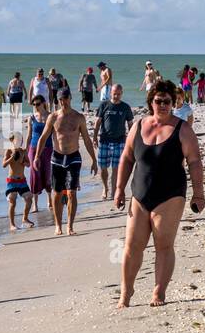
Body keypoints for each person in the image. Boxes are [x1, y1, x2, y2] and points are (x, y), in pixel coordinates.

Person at [114, 80, 205, 308]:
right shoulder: (138, 126)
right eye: (158, 101)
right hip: (140, 193)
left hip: (170, 194)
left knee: (163, 244)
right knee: (132, 245)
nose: (163, 105)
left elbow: (194, 161)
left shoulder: (183, 129)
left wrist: (198, 194)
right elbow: (126, 157)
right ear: (151, 102)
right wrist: (118, 189)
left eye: (167, 101)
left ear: (173, 103)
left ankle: (158, 292)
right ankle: (126, 292)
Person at [36, 87, 97, 235]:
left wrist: (94, 160)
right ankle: (58, 225)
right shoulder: (53, 117)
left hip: (73, 157)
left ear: (70, 98)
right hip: (57, 158)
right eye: (60, 99)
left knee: (71, 193)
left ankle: (70, 226)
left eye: (66, 98)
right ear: (57, 100)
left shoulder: (79, 117)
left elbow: (87, 141)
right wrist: (37, 156)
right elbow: (43, 138)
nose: (63, 102)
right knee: (57, 193)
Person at [93, 83, 133, 200]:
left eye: (119, 94)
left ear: (122, 94)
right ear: (111, 93)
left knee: (116, 168)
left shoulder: (125, 107)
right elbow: (98, 122)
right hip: (105, 140)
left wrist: (132, 141)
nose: (116, 96)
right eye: (115, 94)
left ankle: (114, 191)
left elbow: (131, 125)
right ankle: (105, 188)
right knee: (103, 168)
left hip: (120, 141)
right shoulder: (104, 105)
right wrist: (95, 137)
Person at [26, 96, 53, 211]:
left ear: (43, 103)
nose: (36, 107)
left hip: (47, 148)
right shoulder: (31, 118)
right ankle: (35, 204)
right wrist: (26, 152)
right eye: (34, 105)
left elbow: (55, 134)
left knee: (47, 172)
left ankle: (49, 200)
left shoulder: (51, 116)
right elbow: (29, 135)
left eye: (37, 104)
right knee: (34, 173)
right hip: (33, 147)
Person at [1, 134, 34, 229]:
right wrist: (11, 158)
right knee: (12, 200)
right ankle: (12, 224)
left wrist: (23, 162)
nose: (19, 142)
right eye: (17, 140)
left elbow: (28, 164)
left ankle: (25, 218)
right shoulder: (8, 151)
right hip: (12, 181)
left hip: (22, 181)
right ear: (11, 141)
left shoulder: (23, 151)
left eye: (21, 140)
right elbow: (3, 164)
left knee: (29, 198)